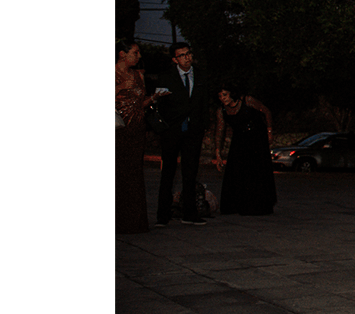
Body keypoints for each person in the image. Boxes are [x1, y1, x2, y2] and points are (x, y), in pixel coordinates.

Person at [149, 43, 210, 226]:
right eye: (182, 55)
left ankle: (190, 213)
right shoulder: (167, 76)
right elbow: (161, 104)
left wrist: (202, 126)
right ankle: (163, 214)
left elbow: (204, 102)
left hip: (193, 131)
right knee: (168, 172)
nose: (187, 58)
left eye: (188, 54)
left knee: (190, 173)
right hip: (172, 131)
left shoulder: (200, 75)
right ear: (175, 59)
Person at [212, 87, 277, 216]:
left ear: (232, 94)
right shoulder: (222, 111)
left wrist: (269, 132)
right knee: (236, 170)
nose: (222, 98)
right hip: (239, 139)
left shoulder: (247, 100)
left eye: (225, 94)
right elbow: (220, 131)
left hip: (256, 137)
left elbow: (266, 111)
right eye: (220, 96)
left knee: (256, 170)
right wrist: (218, 152)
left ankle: (257, 205)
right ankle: (236, 204)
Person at [115, 39, 157, 234]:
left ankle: (134, 222)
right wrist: (123, 85)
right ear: (122, 54)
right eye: (135, 52)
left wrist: (154, 99)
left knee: (134, 175)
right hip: (118, 130)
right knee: (119, 174)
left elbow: (139, 103)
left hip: (137, 129)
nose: (139, 56)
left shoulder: (138, 75)